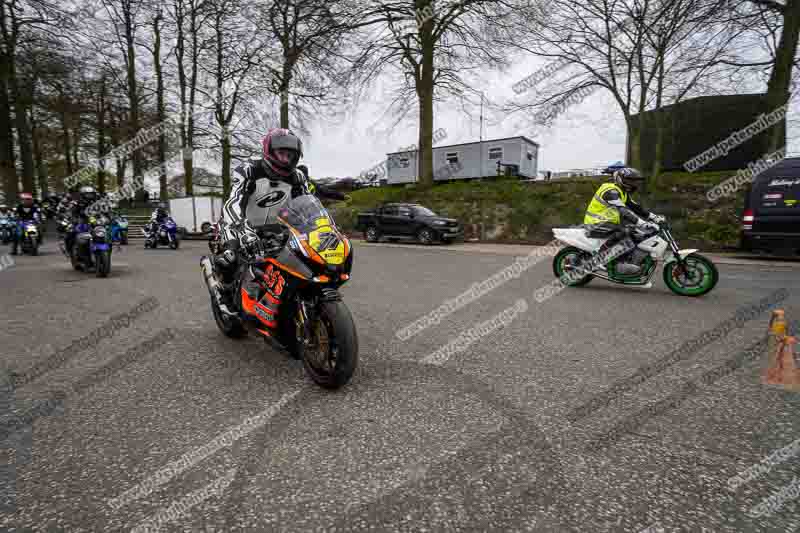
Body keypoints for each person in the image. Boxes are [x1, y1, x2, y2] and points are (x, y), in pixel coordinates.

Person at [213, 128, 347, 317]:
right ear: (269, 151)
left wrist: (323, 227)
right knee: (230, 258)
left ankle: (283, 301)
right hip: (240, 222)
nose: (285, 159)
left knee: (299, 258)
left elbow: (309, 206)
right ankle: (226, 299)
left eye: (290, 155)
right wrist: (244, 232)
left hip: (277, 226)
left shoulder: (297, 177)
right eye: (281, 153)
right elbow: (232, 203)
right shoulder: (249, 169)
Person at [582, 167, 664, 275]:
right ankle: (598, 259)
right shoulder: (610, 191)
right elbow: (624, 210)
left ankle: (623, 261)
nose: (634, 184)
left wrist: (654, 217)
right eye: (630, 181)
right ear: (621, 179)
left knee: (636, 234)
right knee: (624, 231)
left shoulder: (622, 193)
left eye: (635, 181)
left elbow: (636, 207)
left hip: (608, 223)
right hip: (595, 223)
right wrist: (642, 223)